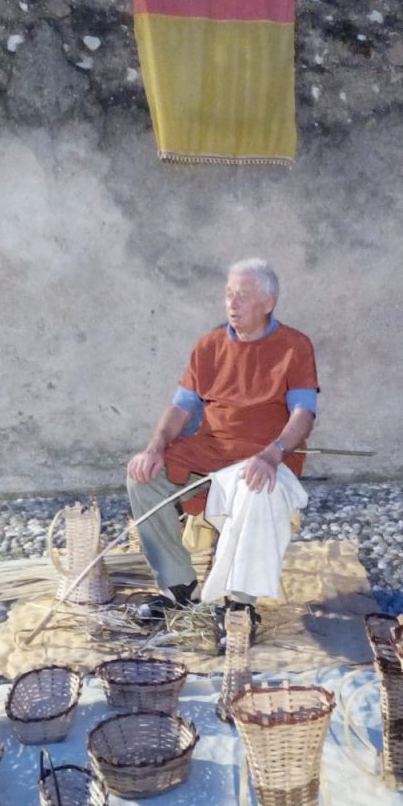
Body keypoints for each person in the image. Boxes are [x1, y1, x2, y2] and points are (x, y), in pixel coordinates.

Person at [126, 258, 318, 632]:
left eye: (243, 296)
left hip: (264, 453)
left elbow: (304, 414)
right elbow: (181, 407)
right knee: (143, 478)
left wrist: (272, 454)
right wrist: (154, 447)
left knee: (257, 489)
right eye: (229, 294)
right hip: (210, 449)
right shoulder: (209, 346)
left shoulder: (295, 347)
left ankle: (239, 602)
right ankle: (177, 587)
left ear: (268, 303)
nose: (232, 303)